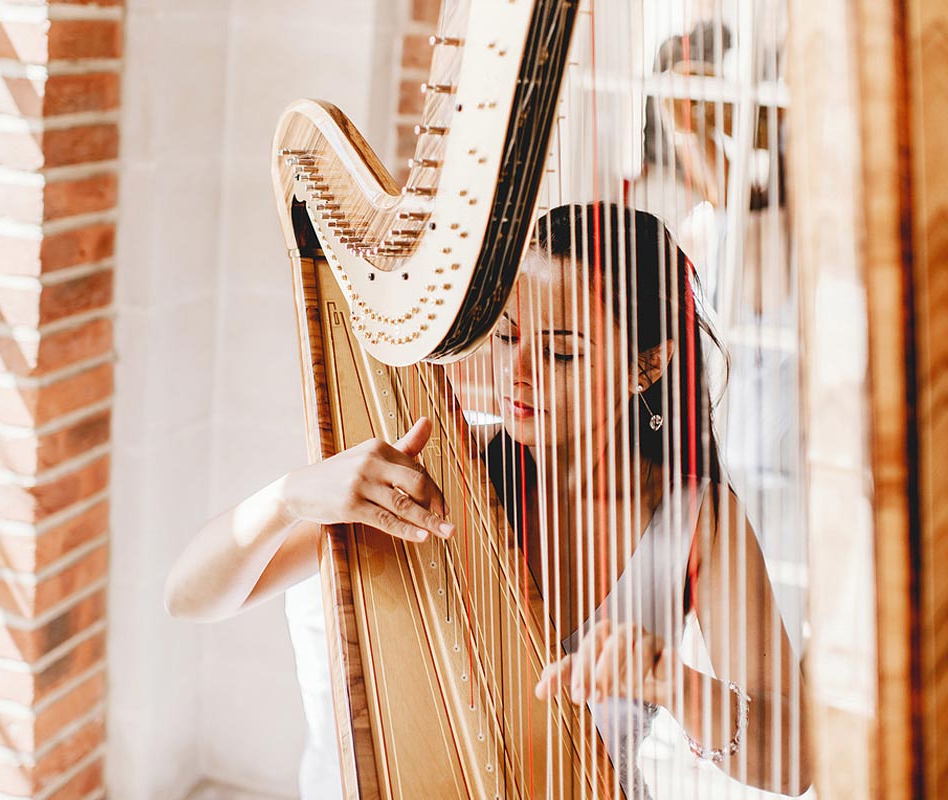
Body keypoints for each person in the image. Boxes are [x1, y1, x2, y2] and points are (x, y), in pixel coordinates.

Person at [165, 203, 810, 798]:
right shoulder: (425, 475)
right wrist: (288, 498)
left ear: (648, 365)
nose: (516, 374)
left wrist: (676, 684)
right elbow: (188, 598)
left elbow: (796, 761)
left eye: (561, 352)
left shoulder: (698, 521)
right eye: (506, 337)